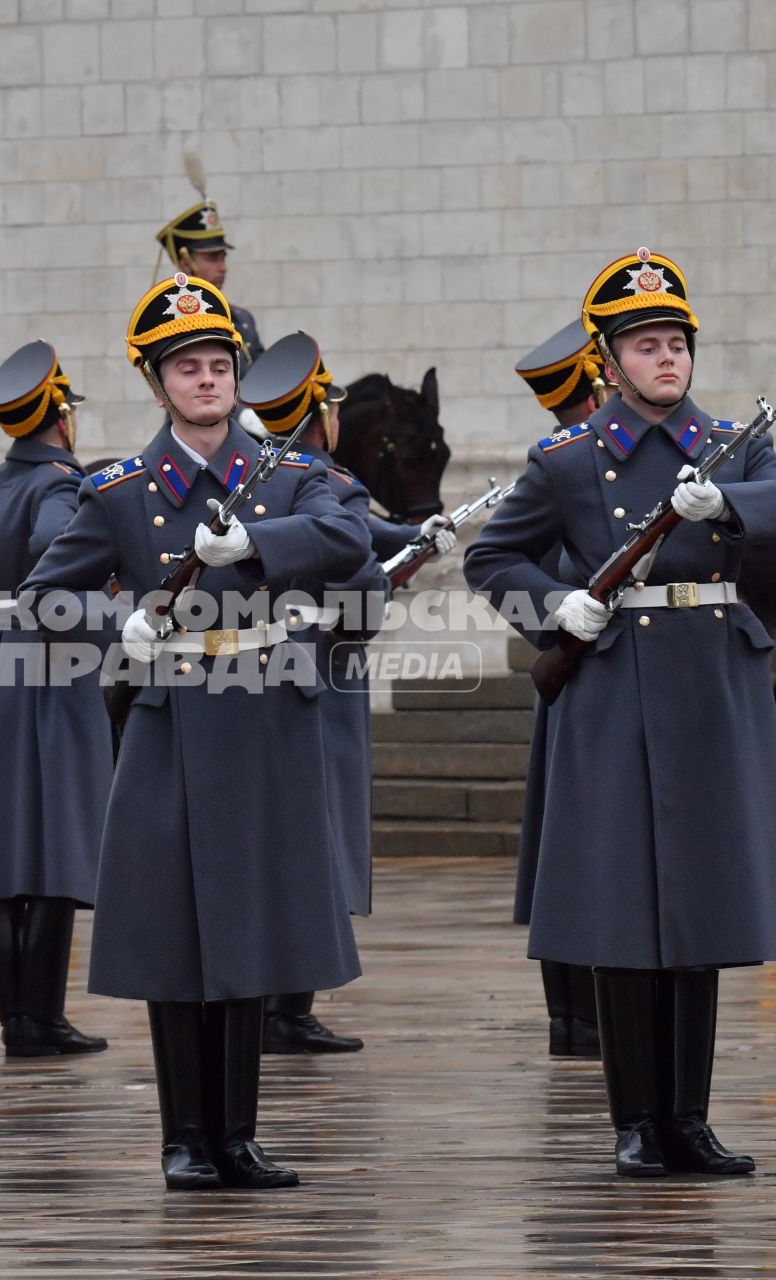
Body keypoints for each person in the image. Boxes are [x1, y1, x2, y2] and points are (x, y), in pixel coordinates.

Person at [463, 249, 776, 1177]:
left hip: (710, 689)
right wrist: (555, 607)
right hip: (615, 687)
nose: (667, 359)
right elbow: (491, 559)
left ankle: (689, 1121)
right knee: (624, 914)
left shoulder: (732, 447)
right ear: (609, 359)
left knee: (699, 911)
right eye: (646, 345)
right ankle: (636, 1122)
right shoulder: (569, 459)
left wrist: (731, 504)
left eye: (676, 343)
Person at [22, 272, 371, 1190]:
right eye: (188, 367)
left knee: (252, 933)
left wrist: (258, 546)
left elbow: (349, 545)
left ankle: (239, 1137)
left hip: (265, 719)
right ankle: (185, 1139)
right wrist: (119, 626)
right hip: (172, 724)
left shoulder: (289, 477)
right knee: (177, 941)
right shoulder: (120, 491)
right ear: (156, 382)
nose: (208, 380)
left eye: (220, 365)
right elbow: (39, 602)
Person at [240, 333, 451, 1056]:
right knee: (313, 836)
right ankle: (283, 1007)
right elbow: (355, 542)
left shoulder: (276, 476)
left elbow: (369, 528)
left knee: (307, 836)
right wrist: (398, 555)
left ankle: (285, 1004)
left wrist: (415, 533)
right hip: (317, 670)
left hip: (300, 669)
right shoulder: (314, 479)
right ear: (319, 414)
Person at [0, 340, 110, 1058]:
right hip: (56, 660)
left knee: (5, 842)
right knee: (54, 842)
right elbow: (59, 558)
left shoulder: (1, 481)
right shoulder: (57, 485)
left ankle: (17, 1016)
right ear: (58, 415)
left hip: (7, 658)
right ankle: (40, 1018)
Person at [509, 320, 612, 1059]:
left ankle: (582, 1017)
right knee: (574, 856)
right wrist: (555, 620)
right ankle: (574, 1017)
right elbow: (513, 566)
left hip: (589, 666)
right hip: (580, 669)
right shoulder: (565, 463)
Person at [156, 197, 264, 363]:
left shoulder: (241, 318)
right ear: (186, 264)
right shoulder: (171, 326)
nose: (223, 268)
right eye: (213, 258)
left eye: (223, 258)